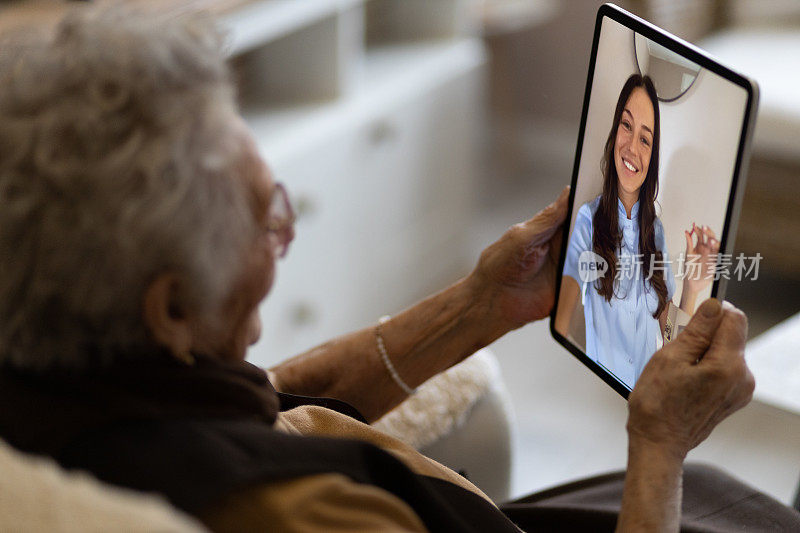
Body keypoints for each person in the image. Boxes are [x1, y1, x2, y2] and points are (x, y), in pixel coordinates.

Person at [0, 7, 797, 532]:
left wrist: (480, 305)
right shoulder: (303, 512)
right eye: (264, 217)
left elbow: (273, 403)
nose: (288, 229)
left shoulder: (92, 388)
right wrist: (659, 442)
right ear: (170, 306)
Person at [555, 74, 720, 388]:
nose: (632, 146)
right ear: (615, 129)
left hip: (649, 395)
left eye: (645, 139)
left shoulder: (654, 232)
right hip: (601, 396)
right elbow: (560, 320)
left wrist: (692, 288)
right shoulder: (587, 221)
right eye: (626, 125)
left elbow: (673, 345)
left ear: (652, 155)